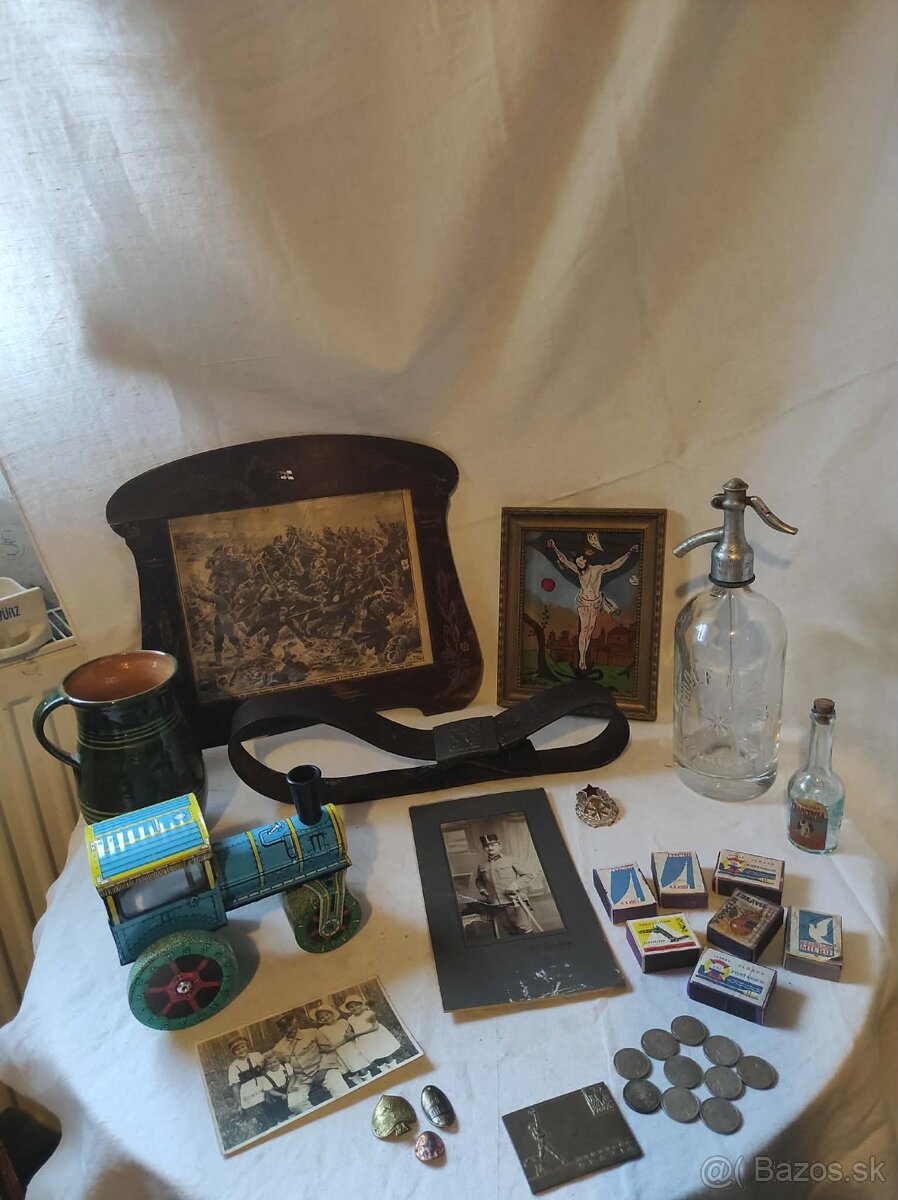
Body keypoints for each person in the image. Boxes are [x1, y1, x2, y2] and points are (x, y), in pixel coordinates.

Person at [546, 535, 639, 671]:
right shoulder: (579, 571)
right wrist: (554, 547)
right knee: (584, 630)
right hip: (583, 602)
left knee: (589, 631)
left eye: (580, 562)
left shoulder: (598, 569)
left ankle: (583, 656)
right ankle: (582, 659)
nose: (579, 565)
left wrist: (629, 553)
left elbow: (615, 565)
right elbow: (564, 559)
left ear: (585, 560)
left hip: (595, 603)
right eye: (577, 563)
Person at [271, 1011, 348, 1113]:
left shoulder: (312, 1033)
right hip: (301, 1077)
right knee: (295, 1104)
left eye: (290, 1025)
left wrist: (323, 1068)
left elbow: (329, 1051)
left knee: (340, 1089)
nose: (288, 1030)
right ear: (280, 1030)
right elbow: (280, 1068)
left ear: (295, 1021)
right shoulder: (279, 1048)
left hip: (322, 1069)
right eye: (284, 1028)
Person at [475, 833, 539, 936]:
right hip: (497, 905)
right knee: (511, 931)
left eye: (493, 845)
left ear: (500, 846)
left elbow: (528, 875)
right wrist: (482, 890)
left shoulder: (511, 860)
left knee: (525, 930)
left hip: (515, 903)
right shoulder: (482, 865)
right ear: (483, 848)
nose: (490, 848)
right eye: (486, 846)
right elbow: (479, 881)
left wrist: (515, 885)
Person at [340, 994, 402, 1074]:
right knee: (376, 1057)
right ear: (348, 1009)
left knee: (385, 1053)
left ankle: (395, 1068)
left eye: (357, 1005)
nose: (354, 1008)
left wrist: (356, 1034)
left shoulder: (368, 1014)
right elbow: (349, 1029)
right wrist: (348, 1033)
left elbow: (375, 1027)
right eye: (351, 1007)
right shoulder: (351, 1019)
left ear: (361, 1005)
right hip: (366, 1041)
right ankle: (385, 1071)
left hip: (376, 1037)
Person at [310, 1003, 369, 1082]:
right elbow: (325, 1044)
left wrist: (349, 1035)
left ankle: (369, 1081)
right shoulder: (322, 1030)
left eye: (327, 1014)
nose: (325, 1018)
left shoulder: (342, 1022)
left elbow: (350, 1033)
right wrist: (330, 1048)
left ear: (332, 1014)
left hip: (351, 1049)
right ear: (319, 1020)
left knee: (361, 1068)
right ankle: (359, 1084)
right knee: (350, 1072)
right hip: (339, 1053)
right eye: (322, 1018)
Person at [226, 1035, 270, 1136]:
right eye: (237, 1050)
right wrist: (239, 1103)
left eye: (242, 1047)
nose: (241, 1051)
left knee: (271, 1114)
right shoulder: (234, 1067)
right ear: (233, 1052)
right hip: (250, 1097)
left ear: (247, 1046)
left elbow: (266, 1068)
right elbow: (235, 1086)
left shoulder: (256, 1056)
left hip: (264, 1091)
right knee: (260, 1121)